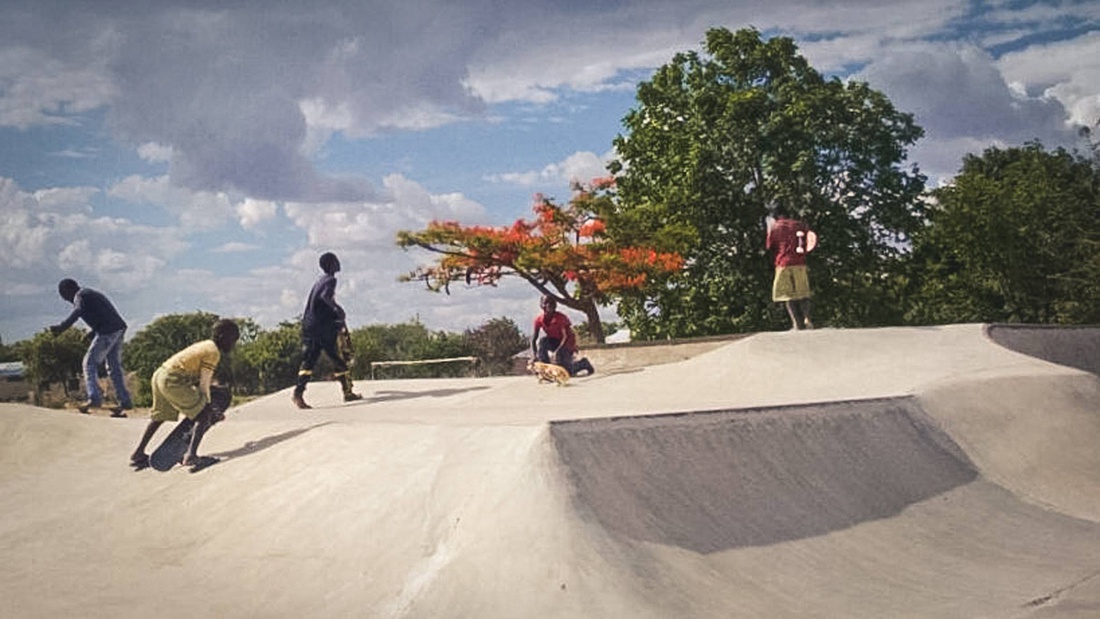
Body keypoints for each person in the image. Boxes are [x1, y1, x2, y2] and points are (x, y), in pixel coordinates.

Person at [129, 319, 240, 470]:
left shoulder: (205, 345)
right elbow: (204, 384)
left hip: (160, 375)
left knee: (159, 417)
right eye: (233, 340)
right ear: (221, 337)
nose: (233, 345)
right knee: (203, 415)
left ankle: (138, 453)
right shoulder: (213, 352)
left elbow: (195, 375)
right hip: (173, 379)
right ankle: (191, 456)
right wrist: (209, 407)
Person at [49, 279, 133, 416]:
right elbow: (103, 314)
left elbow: (78, 311)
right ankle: (125, 402)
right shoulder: (89, 294)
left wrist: (62, 327)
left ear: (68, 291)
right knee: (114, 367)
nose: (67, 300)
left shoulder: (80, 296)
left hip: (108, 331)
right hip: (118, 328)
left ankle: (94, 398)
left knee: (89, 363)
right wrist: (92, 333)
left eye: (64, 296)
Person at [292, 252, 361, 409]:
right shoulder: (330, 280)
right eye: (336, 261)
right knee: (338, 358)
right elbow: (325, 297)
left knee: (309, 361)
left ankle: (298, 393)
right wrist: (338, 310)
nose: (339, 263)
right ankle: (347, 392)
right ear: (331, 264)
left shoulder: (319, 281)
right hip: (322, 328)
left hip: (310, 327)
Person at [766, 206, 814, 330]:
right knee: (804, 293)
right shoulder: (800, 225)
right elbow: (810, 240)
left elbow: (770, 246)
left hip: (783, 263)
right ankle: (807, 318)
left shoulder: (775, 227)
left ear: (776, 216)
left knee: (787, 295)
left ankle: (796, 324)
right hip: (800, 262)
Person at [530, 295, 595, 376]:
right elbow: (534, 338)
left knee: (567, 372)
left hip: (567, 343)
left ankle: (584, 363)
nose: (549, 305)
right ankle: (545, 367)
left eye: (552, 303)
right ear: (541, 305)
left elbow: (566, 337)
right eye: (546, 303)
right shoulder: (538, 320)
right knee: (543, 341)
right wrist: (534, 355)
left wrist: (557, 352)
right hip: (555, 341)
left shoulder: (560, 318)